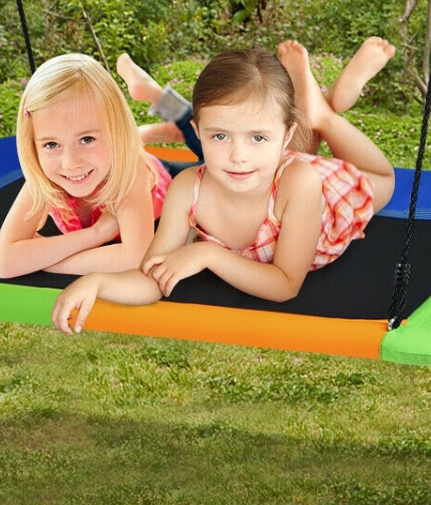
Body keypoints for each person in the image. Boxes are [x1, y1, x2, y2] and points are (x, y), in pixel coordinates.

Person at [52, 43, 397, 331]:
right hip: (275, 170)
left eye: (257, 137)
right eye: (219, 136)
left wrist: (206, 253)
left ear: (283, 134)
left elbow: (285, 285)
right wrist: (98, 282)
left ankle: (324, 115)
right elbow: (153, 277)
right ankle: (313, 106)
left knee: (384, 181)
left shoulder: (301, 182)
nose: (237, 157)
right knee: (273, 153)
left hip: (325, 195)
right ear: (197, 133)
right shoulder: (188, 189)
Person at [0, 52, 170, 279]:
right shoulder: (45, 175)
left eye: (86, 140)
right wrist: (97, 234)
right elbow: (6, 263)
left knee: (194, 129)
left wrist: (49, 263)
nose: (70, 163)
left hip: (163, 181)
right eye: (51, 144)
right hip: (114, 149)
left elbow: (136, 257)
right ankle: (147, 122)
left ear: (116, 135)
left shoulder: (130, 169)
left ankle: (151, 93)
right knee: (140, 136)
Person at [116, 38, 394, 157]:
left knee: (217, 135)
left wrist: (138, 135)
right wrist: (141, 134)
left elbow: (182, 133)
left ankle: (321, 106)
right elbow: (181, 132)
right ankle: (327, 102)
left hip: (243, 180)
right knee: (298, 132)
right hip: (265, 166)